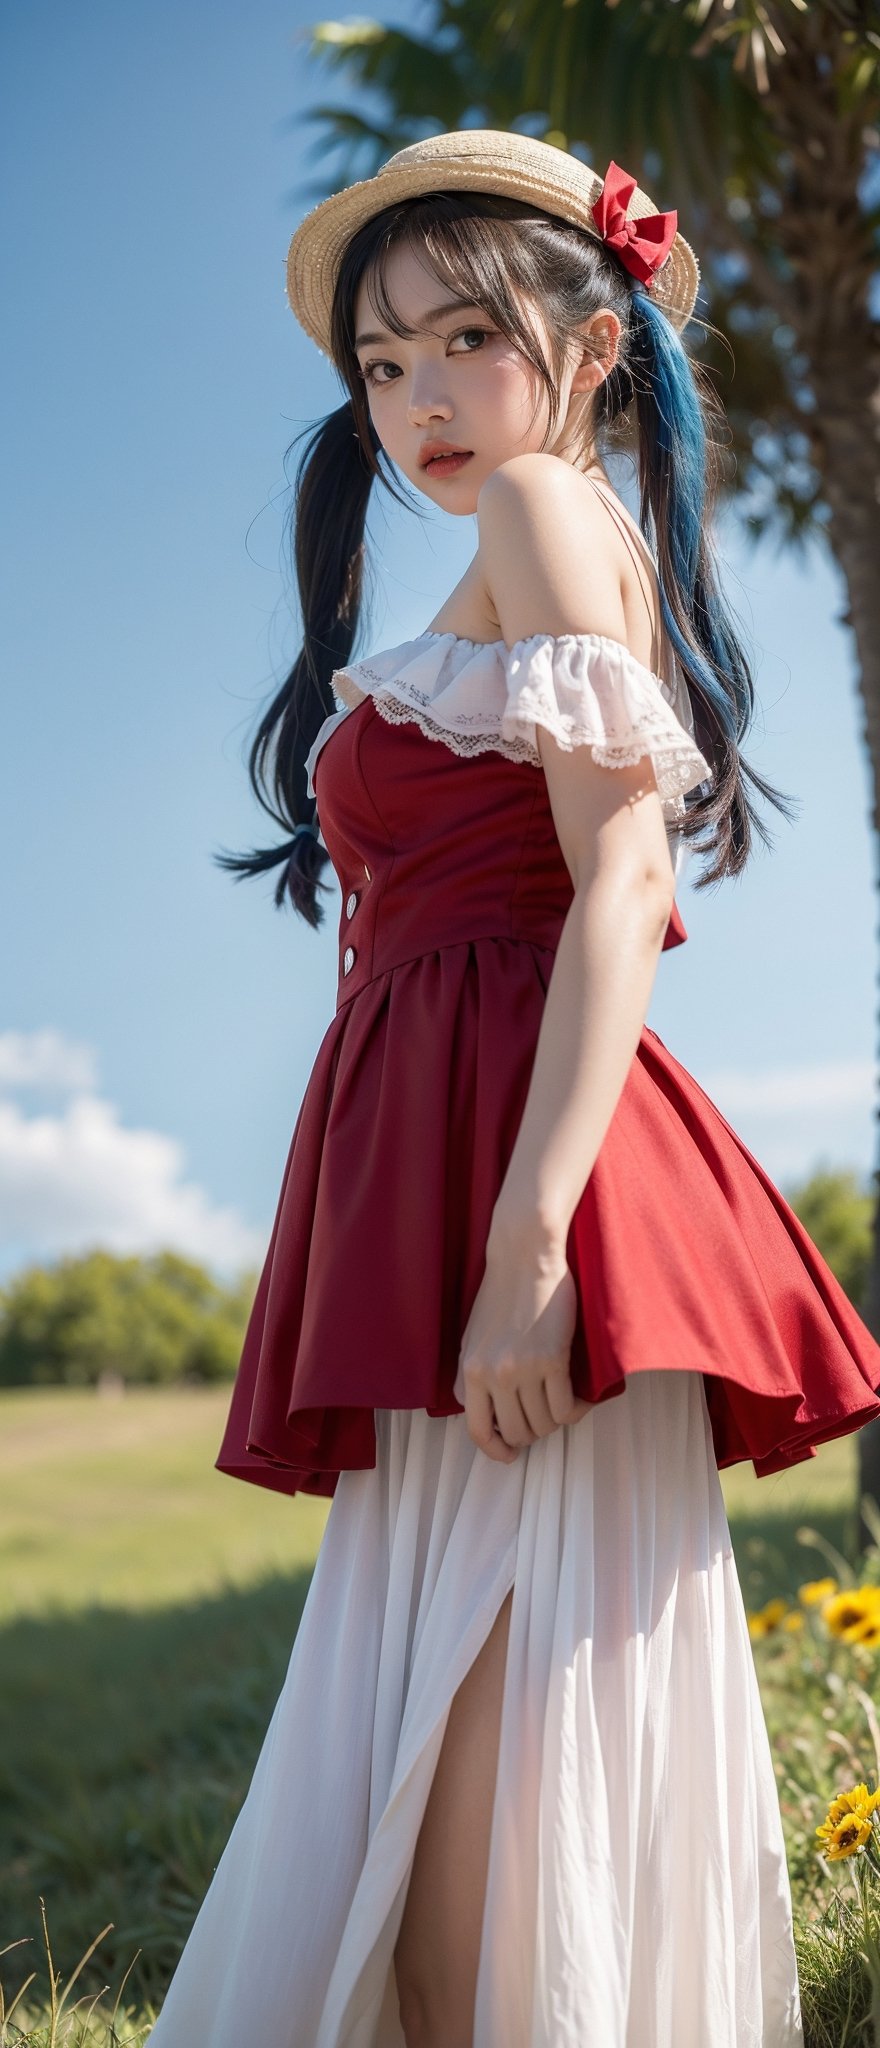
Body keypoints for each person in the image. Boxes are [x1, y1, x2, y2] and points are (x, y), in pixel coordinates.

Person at [147, 130, 880, 2048]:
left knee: (482, 1700)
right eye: (382, 367)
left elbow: (623, 873)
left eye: (466, 336)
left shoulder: (552, 503)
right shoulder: (506, 551)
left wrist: (529, 1232)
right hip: (442, 1132)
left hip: (517, 1155)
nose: (419, 401)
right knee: (459, 1682)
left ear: (593, 345)